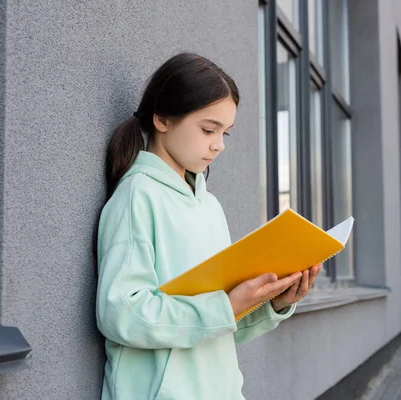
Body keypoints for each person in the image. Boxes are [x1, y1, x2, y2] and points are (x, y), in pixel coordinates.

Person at [95, 52, 321, 400]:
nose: (218, 145)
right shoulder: (137, 196)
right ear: (162, 119)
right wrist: (224, 307)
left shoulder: (210, 206)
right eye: (208, 129)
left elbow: (219, 325)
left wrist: (273, 303)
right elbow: (121, 313)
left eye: (225, 133)